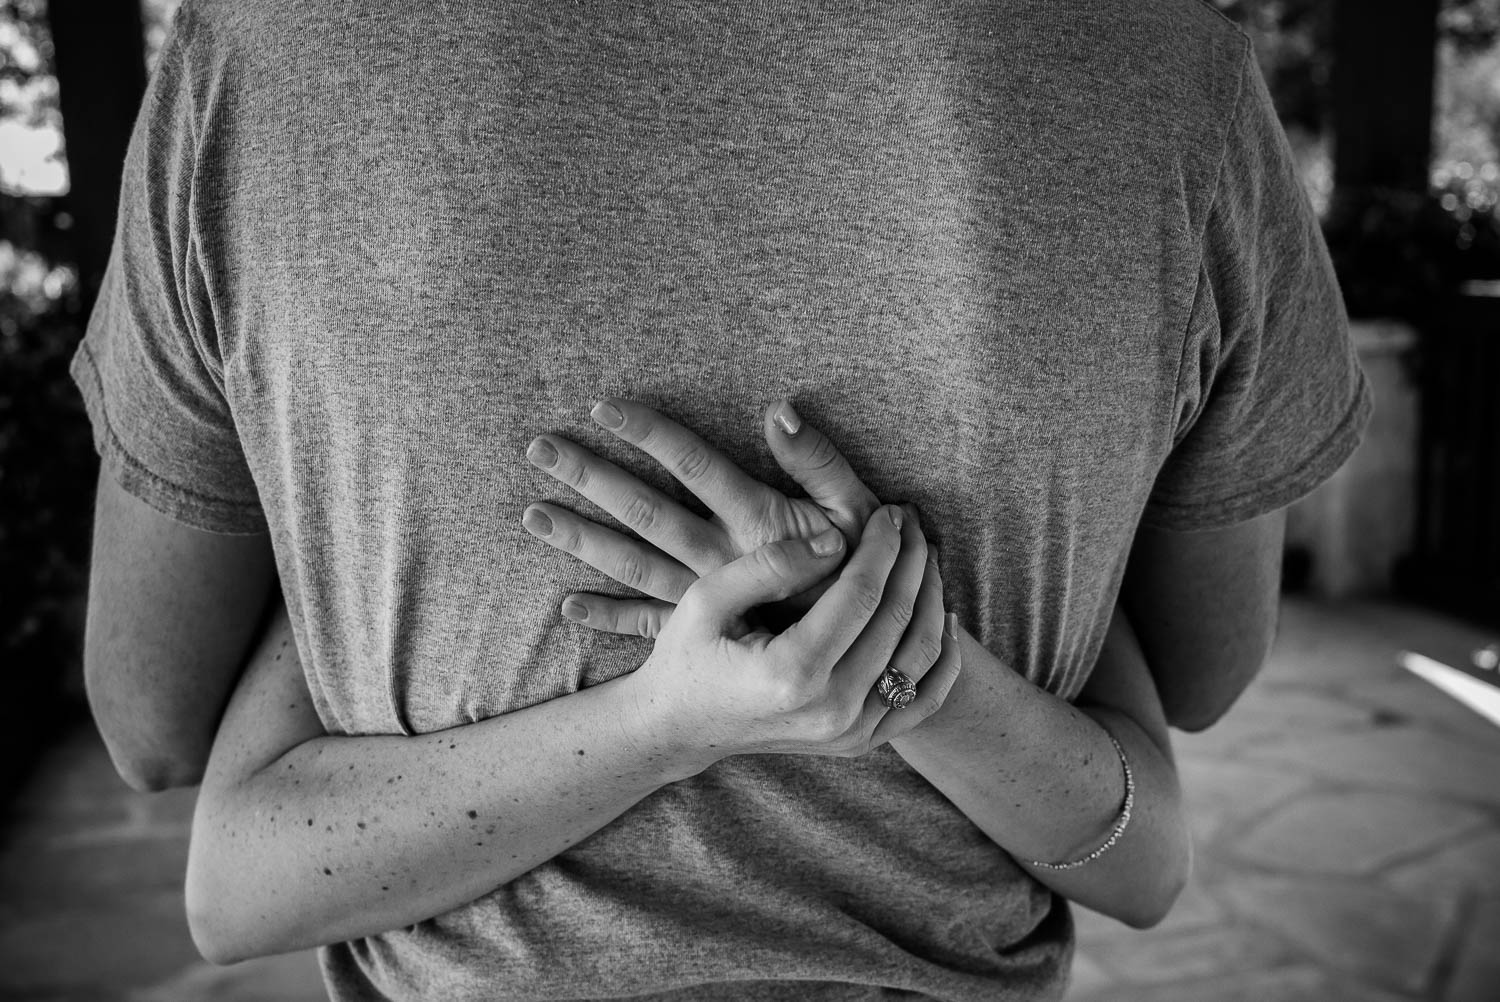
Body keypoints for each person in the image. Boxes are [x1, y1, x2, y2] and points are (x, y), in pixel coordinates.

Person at [73, 1, 1371, 999]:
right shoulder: (1167, 65)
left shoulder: (260, 52)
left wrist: (370, 542)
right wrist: (872, 643)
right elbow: (1203, 670)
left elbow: (152, 718)